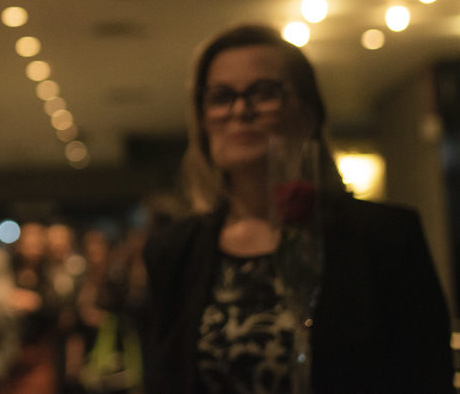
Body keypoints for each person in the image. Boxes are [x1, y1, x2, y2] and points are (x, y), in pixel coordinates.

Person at [142, 24, 452, 394]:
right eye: (221, 96)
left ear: (309, 114)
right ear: (203, 119)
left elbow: (428, 380)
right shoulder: (174, 251)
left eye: (264, 92)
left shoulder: (384, 237)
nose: (240, 109)